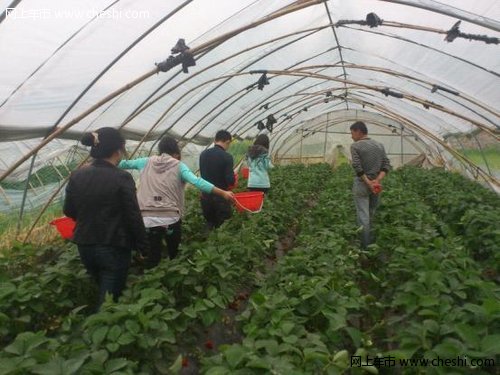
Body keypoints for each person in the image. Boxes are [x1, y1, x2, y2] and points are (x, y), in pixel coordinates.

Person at [63, 127, 147, 310]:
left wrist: (88, 217)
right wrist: (142, 246)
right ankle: (96, 334)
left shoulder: (77, 175)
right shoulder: (121, 177)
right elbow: (133, 215)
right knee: (109, 303)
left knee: (103, 289)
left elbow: (68, 210)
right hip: (113, 246)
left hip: (85, 245)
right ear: (119, 149)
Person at [119, 136, 234, 267]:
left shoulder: (145, 161)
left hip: (146, 218)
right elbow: (197, 182)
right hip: (170, 218)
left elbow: (123, 164)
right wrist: (223, 192)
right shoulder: (179, 166)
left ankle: (151, 271)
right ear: (176, 152)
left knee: (153, 255)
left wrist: (95, 164)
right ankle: (173, 267)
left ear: (160, 150)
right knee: (174, 252)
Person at [349, 121, 391, 248]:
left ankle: (365, 246)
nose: (351, 136)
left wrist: (368, 183)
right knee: (371, 213)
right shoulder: (379, 145)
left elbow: (357, 166)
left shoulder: (355, 146)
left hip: (362, 184)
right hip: (376, 185)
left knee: (363, 216)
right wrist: (376, 181)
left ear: (358, 131)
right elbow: (386, 165)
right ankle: (372, 243)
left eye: (352, 133)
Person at [199, 130, 235, 230]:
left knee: (209, 223)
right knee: (222, 228)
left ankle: (205, 243)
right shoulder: (227, 157)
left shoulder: (203, 154)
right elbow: (230, 180)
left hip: (205, 196)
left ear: (215, 140)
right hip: (221, 197)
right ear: (227, 142)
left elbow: (203, 175)